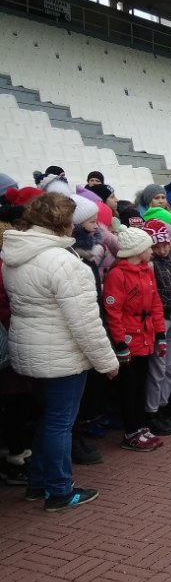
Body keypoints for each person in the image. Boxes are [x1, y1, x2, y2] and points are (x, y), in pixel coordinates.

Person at [2, 192, 119, 508]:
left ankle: (39, 483)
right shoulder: (64, 262)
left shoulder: (15, 254)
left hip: (29, 349)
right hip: (60, 355)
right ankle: (58, 490)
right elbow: (85, 322)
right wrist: (107, 361)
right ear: (64, 223)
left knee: (48, 419)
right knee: (59, 423)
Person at [103, 226, 166, 452]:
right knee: (129, 387)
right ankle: (131, 431)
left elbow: (155, 303)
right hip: (129, 340)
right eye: (148, 247)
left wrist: (160, 334)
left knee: (141, 384)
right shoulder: (118, 274)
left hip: (146, 337)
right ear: (137, 251)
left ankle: (140, 426)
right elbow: (114, 312)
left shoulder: (147, 271)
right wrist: (120, 343)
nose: (152, 251)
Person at [143, 220, 171, 435]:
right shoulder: (150, 266)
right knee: (157, 370)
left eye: (165, 245)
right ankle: (152, 411)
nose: (162, 250)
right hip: (162, 320)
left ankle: (164, 406)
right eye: (156, 247)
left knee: (170, 368)